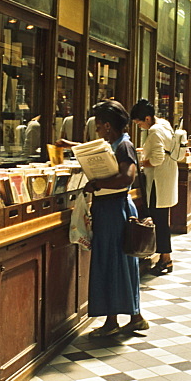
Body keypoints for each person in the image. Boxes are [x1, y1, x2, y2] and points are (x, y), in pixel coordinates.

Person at [57, 100, 147, 336]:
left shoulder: (124, 146)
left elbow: (127, 177)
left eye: (98, 126)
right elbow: (96, 152)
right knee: (122, 263)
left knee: (111, 263)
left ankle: (111, 322)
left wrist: (98, 184)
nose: (96, 130)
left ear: (107, 125)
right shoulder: (114, 144)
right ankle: (134, 315)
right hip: (109, 209)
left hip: (114, 210)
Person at [129, 99, 178, 276]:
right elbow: (162, 151)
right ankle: (164, 256)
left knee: (160, 222)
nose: (139, 126)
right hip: (166, 179)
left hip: (158, 182)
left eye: (139, 122)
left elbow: (157, 159)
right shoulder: (164, 124)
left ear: (148, 118)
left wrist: (141, 162)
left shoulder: (155, 131)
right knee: (162, 220)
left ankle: (166, 259)